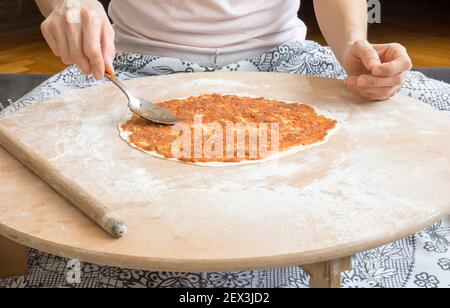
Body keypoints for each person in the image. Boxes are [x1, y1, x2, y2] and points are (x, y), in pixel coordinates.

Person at [0, 0, 448, 288]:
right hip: (128, 63)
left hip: (283, 59)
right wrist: (66, 5)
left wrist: (353, 44)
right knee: (18, 145)